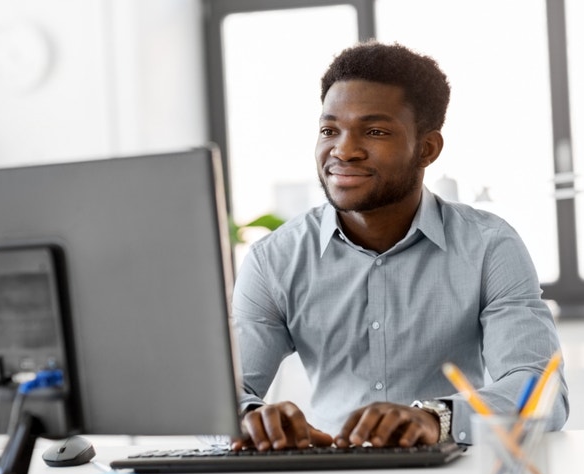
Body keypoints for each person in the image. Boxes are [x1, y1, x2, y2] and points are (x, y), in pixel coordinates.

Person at [230, 40, 569, 452]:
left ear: (427, 149)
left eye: (374, 131)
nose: (343, 150)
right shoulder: (274, 260)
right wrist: (250, 417)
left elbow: (540, 390)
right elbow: (226, 392)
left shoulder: (489, 246)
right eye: (329, 129)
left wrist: (436, 417)